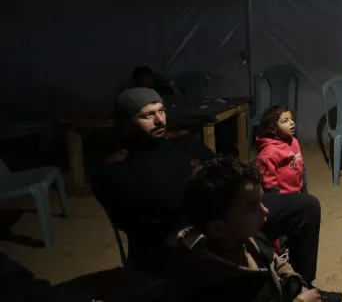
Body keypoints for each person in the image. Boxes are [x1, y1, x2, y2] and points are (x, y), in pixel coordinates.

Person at [91, 88, 322, 283]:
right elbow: (160, 206)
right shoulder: (117, 168)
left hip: (229, 209)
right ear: (127, 123)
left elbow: (226, 168)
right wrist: (204, 180)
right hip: (181, 236)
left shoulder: (182, 143)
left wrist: (210, 181)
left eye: (161, 111)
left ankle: (302, 285)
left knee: (305, 206)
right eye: (147, 115)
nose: (160, 119)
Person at [168, 157, 342, 302]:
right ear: (218, 228)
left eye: (262, 201)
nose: (265, 210)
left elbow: (273, 261)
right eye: (252, 207)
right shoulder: (215, 286)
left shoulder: (247, 237)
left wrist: (297, 283)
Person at [255, 106, 307, 194]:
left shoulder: (294, 141)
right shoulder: (269, 153)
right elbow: (269, 185)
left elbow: (302, 167)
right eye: (285, 121)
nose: (292, 123)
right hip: (282, 197)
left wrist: (304, 188)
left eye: (292, 119)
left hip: (297, 191)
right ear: (272, 128)